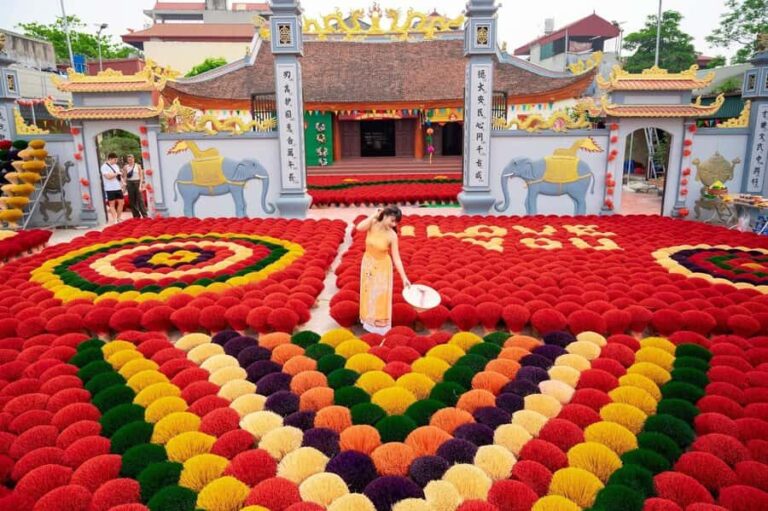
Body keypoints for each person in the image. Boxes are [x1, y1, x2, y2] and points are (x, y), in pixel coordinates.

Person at [356, 206, 411, 334]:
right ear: (385, 216)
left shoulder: (392, 235)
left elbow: (396, 258)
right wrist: (373, 215)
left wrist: (404, 278)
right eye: (392, 220)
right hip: (368, 264)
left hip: (382, 268)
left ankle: (379, 326)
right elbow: (359, 228)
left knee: (379, 296)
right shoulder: (372, 224)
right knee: (367, 292)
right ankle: (368, 321)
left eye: (396, 222)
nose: (394, 224)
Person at [100, 152, 124, 224]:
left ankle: (119, 217)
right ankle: (115, 219)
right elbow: (108, 177)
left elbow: (118, 176)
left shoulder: (116, 166)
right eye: (115, 160)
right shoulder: (104, 167)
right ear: (110, 159)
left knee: (121, 203)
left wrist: (122, 182)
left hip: (118, 187)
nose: (116, 161)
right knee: (112, 204)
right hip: (109, 188)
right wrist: (116, 173)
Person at [122, 154, 148, 218]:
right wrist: (124, 186)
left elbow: (141, 176)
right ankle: (136, 216)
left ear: (134, 159)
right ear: (127, 160)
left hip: (137, 182)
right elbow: (125, 177)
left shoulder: (138, 166)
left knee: (140, 199)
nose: (130, 161)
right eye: (129, 160)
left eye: (131, 159)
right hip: (129, 183)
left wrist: (140, 185)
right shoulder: (126, 167)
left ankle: (145, 215)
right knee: (132, 200)